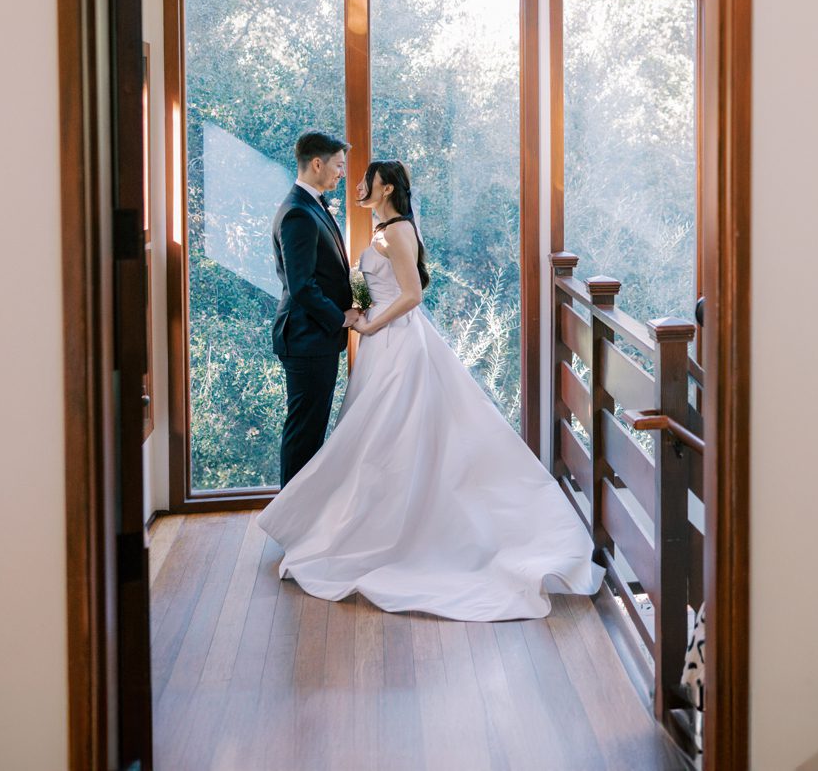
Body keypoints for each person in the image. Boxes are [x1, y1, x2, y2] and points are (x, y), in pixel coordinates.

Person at [258, 158, 602, 621]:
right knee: (377, 435)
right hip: (380, 342)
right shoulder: (382, 230)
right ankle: (368, 520)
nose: (357, 184)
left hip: (397, 341)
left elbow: (412, 295)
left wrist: (370, 324)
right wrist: (359, 308)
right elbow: (377, 284)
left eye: (367, 180)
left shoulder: (398, 230)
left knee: (391, 434)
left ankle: (402, 527)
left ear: (386, 189)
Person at [270, 130, 357, 487]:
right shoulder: (298, 213)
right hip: (307, 337)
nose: (342, 173)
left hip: (315, 337)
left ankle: (302, 511)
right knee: (304, 433)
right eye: (339, 165)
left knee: (311, 429)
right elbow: (302, 285)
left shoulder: (311, 204)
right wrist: (340, 318)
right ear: (317, 164)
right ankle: (291, 516)